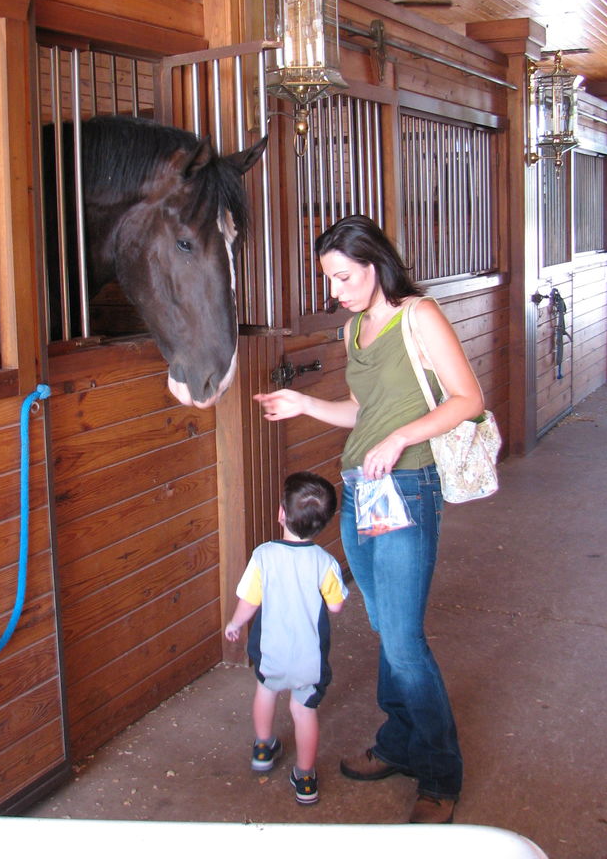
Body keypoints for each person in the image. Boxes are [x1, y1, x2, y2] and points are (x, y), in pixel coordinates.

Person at [254, 214, 484, 825]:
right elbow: (363, 410)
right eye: (329, 278)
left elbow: (469, 399)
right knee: (386, 628)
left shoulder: (420, 316)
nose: (335, 290)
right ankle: (400, 743)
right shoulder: (355, 330)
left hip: (409, 485)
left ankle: (439, 774)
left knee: (404, 641)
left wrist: (402, 437)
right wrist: (305, 403)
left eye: (343, 276)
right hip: (361, 489)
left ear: (375, 264)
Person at [225, 470, 348, 805]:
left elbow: (250, 599)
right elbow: (335, 607)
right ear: (323, 524)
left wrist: (235, 623)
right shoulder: (325, 562)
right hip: (309, 658)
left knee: (266, 691)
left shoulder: (264, 555)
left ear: (281, 514)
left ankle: (263, 748)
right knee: (303, 710)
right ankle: (305, 777)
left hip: (271, 652)